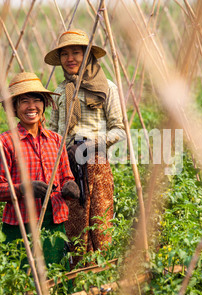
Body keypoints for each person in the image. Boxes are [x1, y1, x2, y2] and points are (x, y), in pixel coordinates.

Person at [44, 29, 126, 267]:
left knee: (99, 226)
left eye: (76, 53)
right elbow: (54, 132)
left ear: (88, 55)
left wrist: (93, 145)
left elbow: (119, 130)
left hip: (96, 164)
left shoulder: (106, 87)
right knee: (74, 228)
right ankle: (78, 276)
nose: (70, 58)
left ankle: (100, 277)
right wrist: (60, 152)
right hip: (68, 166)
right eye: (65, 54)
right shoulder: (60, 91)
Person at [0, 72, 80, 268]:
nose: (32, 106)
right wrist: (24, 188)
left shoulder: (55, 140)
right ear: (14, 107)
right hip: (20, 225)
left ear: (44, 104)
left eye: (37, 100)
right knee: (22, 281)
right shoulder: (5, 142)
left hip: (55, 222)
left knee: (56, 279)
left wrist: (70, 186)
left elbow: (66, 176)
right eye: (24, 101)